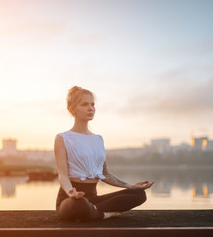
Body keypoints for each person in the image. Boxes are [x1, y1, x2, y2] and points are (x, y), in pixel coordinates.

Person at [54, 86, 154, 221]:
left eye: (92, 104)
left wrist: (130, 186)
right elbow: (62, 175)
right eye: (85, 104)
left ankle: (92, 212)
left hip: (93, 200)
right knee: (80, 204)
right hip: (71, 200)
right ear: (72, 109)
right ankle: (103, 214)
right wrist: (70, 191)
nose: (91, 108)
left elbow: (105, 174)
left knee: (139, 194)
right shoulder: (62, 138)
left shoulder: (98, 139)